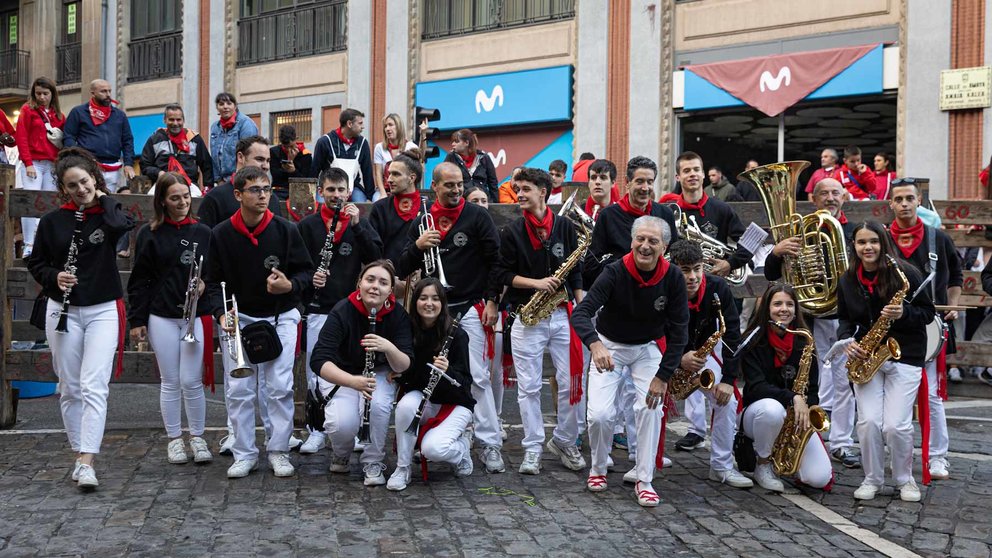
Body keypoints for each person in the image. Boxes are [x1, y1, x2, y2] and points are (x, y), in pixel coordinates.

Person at [25, 147, 136, 489]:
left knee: (93, 385)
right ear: (63, 188)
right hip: (63, 309)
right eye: (72, 185)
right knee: (70, 387)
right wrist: (53, 276)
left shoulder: (107, 212)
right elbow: (36, 262)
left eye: (85, 182)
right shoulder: (52, 221)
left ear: (94, 179)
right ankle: (79, 453)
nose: (80, 190)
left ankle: (88, 459)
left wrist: (103, 198)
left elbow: (123, 226)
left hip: (102, 308)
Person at [396, 162, 505, 473]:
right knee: (430, 375)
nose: (457, 190)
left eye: (460, 184)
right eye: (450, 185)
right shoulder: (422, 222)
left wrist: (492, 301)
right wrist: (418, 247)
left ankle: (489, 444)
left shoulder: (477, 216)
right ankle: (442, 434)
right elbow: (402, 266)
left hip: (470, 304)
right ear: (435, 185)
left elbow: (496, 262)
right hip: (432, 311)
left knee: (479, 377)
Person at [204, 166, 313, 479]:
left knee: (279, 385)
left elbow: (305, 274)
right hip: (238, 317)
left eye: (267, 189)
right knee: (239, 388)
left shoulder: (286, 230)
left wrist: (288, 286)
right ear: (238, 194)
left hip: (280, 315)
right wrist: (221, 313)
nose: (263, 195)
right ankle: (244, 452)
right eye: (255, 190)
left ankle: (278, 450)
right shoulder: (221, 234)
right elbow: (213, 282)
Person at [572, 216, 689, 506]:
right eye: (640, 239)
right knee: (599, 415)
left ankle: (644, 479)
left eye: (653, 241)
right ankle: (598, 468)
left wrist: (662, 377)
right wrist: (595, 344)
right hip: (610, 346)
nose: (645, 246)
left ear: (664, 246)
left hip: (646, 349)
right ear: (632, 240)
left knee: (650, 409)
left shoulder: (673, 277)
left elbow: (679, 333)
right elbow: (581, 313)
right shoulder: (614, 272)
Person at [764, 177, 860, 468]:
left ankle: (842, 443)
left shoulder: (855, 231)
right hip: (811, 321)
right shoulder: (801, 231)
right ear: (814, 198)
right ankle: (809, 435)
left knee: (845, 383)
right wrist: (776, 252)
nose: (830, 198)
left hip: (845, 320)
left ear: (844, 196)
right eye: (824, 193)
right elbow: (771, 274)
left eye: (835, 192)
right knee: (809, 381)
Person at [495, 167, 585, 475]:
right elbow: (502, 274)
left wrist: (581, 302)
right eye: (517, 189)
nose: (519, 194)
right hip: (528, 316)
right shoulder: (511, 231)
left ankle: (564, 440)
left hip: (562, 314)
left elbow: (575, 270)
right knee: (529, 387)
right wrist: (536, 283)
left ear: (543, 192)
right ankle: (532, 447)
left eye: (526, 189)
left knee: (572, 380)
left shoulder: (565, 227)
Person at [838, 222, 934, 502]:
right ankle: (872, 478)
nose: (868, 247)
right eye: (861, 242)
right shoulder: (847, 280)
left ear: (883, 243)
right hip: (867, 358)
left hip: (905, 355)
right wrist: (848, 341)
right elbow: (845, 319)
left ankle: (905, 479)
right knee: (867, 422)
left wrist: (903, 313)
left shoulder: (907, 274)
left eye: (874, 241)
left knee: (896, 426)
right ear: (854, 246)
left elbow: (928, 313)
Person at [126, 172, 214, 465]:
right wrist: (136, 321)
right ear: (162, 201)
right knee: (170, 380)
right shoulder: (149, 234)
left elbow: (215, 273)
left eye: (186, 197)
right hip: (161, 315)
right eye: (175, 198)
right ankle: (175, 439)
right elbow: (139, 281)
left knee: (192, 380)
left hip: (194, 315)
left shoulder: (203, 232)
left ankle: (198, 437)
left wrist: (204, 284)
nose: (182, 203)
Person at [297, 167, 383, 453]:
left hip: (351, 310)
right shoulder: (308, 226)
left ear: (349, 192)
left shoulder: (360, 222)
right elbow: (297, 265)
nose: (336, 195)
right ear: (321, 192)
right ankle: (317, 428)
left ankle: (357, 427)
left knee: (354, 366)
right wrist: (312, 277)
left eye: (341, 190)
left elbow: (376, 259)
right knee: (316, 371)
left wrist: (358, 225)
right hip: (319, 308)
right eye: (330, 190)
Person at [310, 260, 414, 485]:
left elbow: (404, 364)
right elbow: (318, 360)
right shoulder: (342, 310)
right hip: (344, 375)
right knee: (342, 425)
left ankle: (373, 461)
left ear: (390, 290)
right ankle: (342, 451)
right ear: (359, 283)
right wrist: (354, 382)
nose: (375, 286)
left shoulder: (397, 314)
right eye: (370, 279)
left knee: (378, 407)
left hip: (379, 373)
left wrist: (388, 347)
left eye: (383, 283)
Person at [888, 180, 961, 481]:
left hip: (931, 326)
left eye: (909, 198)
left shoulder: (938, 238)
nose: (904, 204)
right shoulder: (880, 238)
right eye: (898, 199)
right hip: (891, 329)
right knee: (894, 396)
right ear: (890, 204)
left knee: (931, 396)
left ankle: (937, 458)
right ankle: (898, 457)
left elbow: (955, 277)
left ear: (918, 201)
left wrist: (953, 305)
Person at [667, 239, 751, 488]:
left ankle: (721, 466)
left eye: (697, 268)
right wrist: (679, 358)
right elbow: (653, 331)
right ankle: (644, 461)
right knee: (646, 401)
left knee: (729, 401)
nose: (693, 277)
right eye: (685, 270)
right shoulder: (664, 287)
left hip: (700, 358)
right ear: (673, 269)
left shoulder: (717, 288)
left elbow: (733, 334)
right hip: (665, 357)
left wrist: (727, 380)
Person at [739, 283, 833, 493]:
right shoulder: (753, 341)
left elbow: (813, 388)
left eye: (790, 304)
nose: (784, 309)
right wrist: (793, 398)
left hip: (795, 418)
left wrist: (808, 408)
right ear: (766, 309)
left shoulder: (805, 342)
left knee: (817, 478)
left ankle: (785, 458)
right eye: (777, 304)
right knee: (772, 410)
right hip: (758, 414)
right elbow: (756, 388)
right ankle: (763, 464)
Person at [389, 277, 476, 490]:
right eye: (423, 298)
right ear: (415, 302)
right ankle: (403, 467)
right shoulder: (408, 331)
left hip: (455, 403)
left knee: (433, 450)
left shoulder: (457, 335)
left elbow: (465, 384)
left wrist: (448, 370)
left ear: (442, 303)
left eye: (435, 299)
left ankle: (462, 447)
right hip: (425, 398)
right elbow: (411, 375)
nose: (429, 304)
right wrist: (400, 374)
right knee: (405, 406)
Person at [586, 156, 679, 288]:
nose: (645, 188)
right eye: (640, 181)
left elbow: (674, 255)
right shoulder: (608, 215)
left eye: (650, 182)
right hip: (621, 291)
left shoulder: (665, 214)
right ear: (627, 182)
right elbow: (591, 263)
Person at [661, 151, 752, 280]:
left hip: (714, 282)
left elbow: (749, 241)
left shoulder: (721, 208)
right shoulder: (669, 213)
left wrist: (730, 263)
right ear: (678, 177)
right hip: (679, 284)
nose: (692, 174)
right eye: (686, 171)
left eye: (696, 169)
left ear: (703, 174)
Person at [15, 77, 65, 257]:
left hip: (52, 164)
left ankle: (45, 245)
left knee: (49, 204)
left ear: (52, 94)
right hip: (33, 163)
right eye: (38, 93)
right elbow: (21, 137)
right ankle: (29, 245)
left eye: (45, 93)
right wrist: (28, 163)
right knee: (31, 203)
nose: (42, 97)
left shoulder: (58, 115)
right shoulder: (27, 110)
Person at [62, 79, 135, 192]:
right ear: (93, 93)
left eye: (109, 91)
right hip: (88, 165)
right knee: (89, 200)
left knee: (107, 201)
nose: (108, 95)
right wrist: (77, 159)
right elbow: (69, 137)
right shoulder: (78, 112)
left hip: (113, 167)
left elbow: (127, 141)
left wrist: (129, 164)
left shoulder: (119, 115)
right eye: (103, 91)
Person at [196, 135, 284, 227]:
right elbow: (204, 237)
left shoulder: (272, 199)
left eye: (268, 161)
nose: (266, 166)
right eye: (259, 159)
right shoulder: (215, 197)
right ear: (240, 157)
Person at [369, 149, 424, 271]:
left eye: (396, 174)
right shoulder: (380, 208)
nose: (389, 180)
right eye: (389, 174)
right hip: (388, 278)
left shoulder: (428, 208)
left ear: (412, 178)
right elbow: (373, 252)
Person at [139, 104, 212, 189]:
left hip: (190, 186)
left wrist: (208, 188)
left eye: (178, 120)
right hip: (162, 185)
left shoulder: (194, 139)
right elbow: (144, 165)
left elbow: (207, 165)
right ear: (164, 120)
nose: (175, 123)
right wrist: (159, 173)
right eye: (171, 120)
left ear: (183, 120)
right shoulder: (155, 139)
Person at [312, 108, 377, 202]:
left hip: (353, 188)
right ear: (349, 124)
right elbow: (314, 169)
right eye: (360, 123)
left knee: (361, 207)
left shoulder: (362, 143)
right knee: (321, 207)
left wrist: (370, 196)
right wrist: (310, 193)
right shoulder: (325, 142)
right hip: (328, 187)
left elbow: (367, 171)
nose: (363, 127)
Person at [209, 92, 258, 185]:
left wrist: (239, 179)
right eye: (221, 104)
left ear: (235, 106)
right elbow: (214, 155)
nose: (225, 107)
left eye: (229, 103)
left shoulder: (246, 124)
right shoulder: (215, 127)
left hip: (241, 179)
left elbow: (249, 155)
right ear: (217, 108)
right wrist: (218, 180)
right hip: (221, 182)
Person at [444, 129, 498, 202]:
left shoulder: (484, 157)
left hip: (482, 202)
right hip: (461, 202)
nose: (453, 144)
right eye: (453, 141)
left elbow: (493, 183)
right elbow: (443, 179)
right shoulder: (451, 157)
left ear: (466, 143)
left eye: (456, 141)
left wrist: (495, 204)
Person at [373, 113, 418, 196]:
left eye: (390, 125)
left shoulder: (410, 146)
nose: (387, 129)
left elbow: (418, 169)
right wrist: (383, 194)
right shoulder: (379, 147)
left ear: (399, 127)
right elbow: (378, 174)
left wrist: (423, 136)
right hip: (384, 190)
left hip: (405, 189)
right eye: (385, 126)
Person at [269, 125, 312, 203]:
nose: (289, 149)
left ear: (296, 139)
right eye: (285, 147)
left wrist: (293, 171)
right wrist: (289, 161)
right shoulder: (274, 152)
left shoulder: (306, 155)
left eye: (291, 146)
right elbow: (275, 175)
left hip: (299, 191)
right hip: (279, 191)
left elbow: (306, 179)